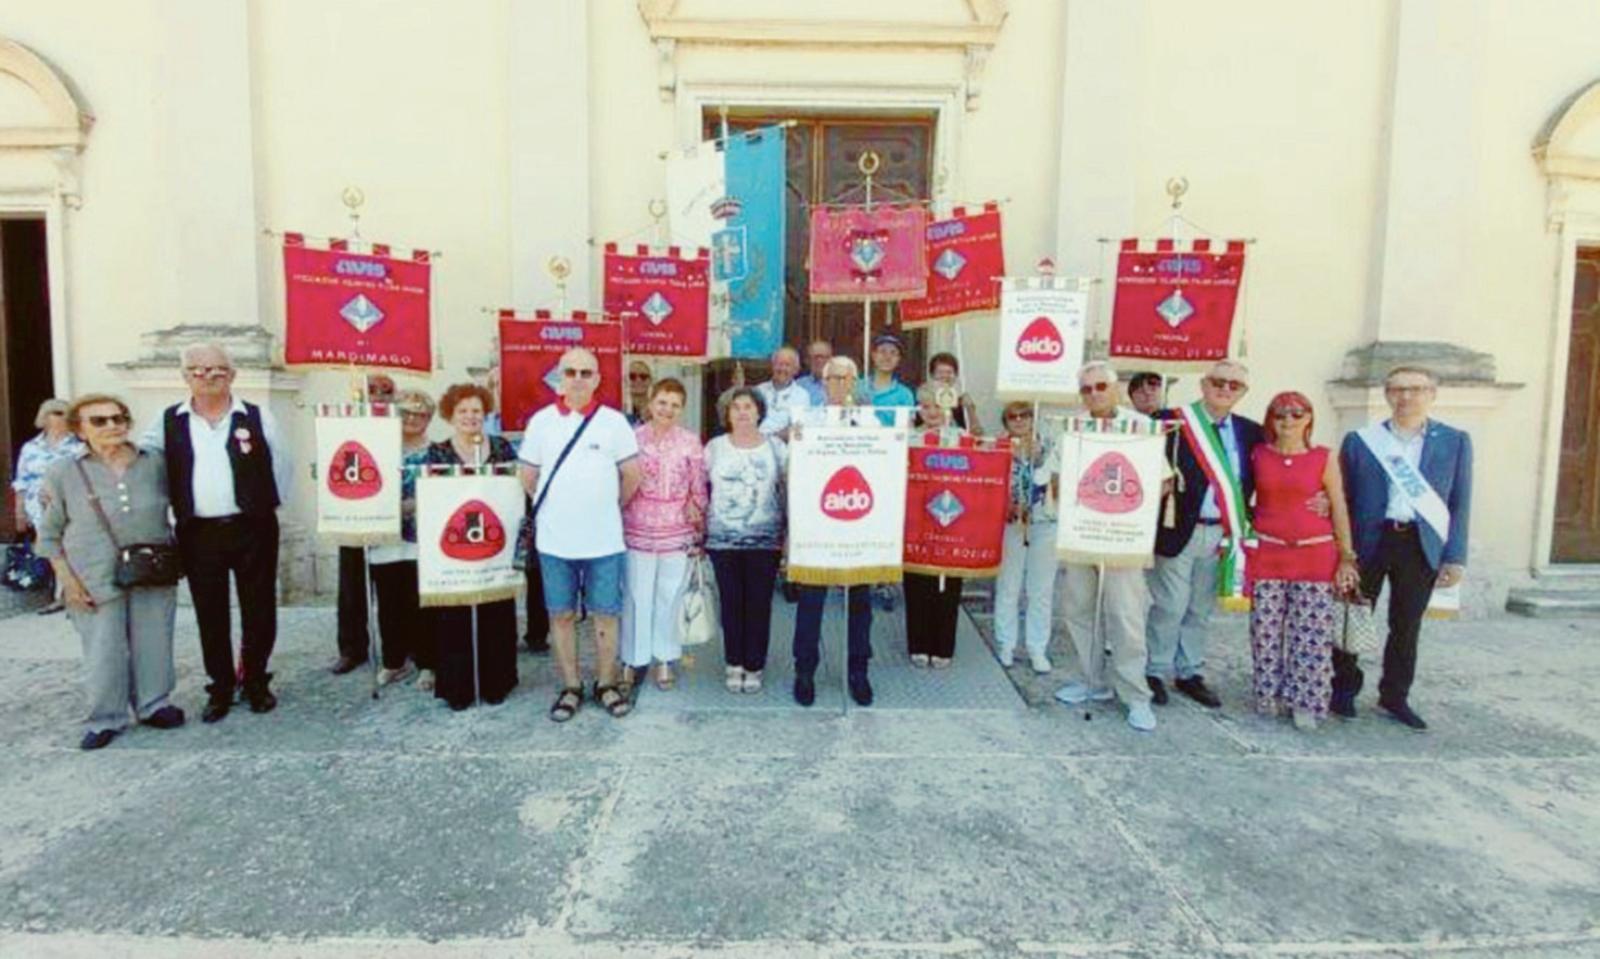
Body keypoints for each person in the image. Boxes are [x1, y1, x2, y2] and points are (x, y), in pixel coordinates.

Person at [144, 344, 292, 723]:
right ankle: (221, 686)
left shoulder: (257, 416)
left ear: (232, 375)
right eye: (198, 370)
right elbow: (140, 464)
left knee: (259, 608)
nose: (208, 376)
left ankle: (256, 680)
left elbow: (282, 466)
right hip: (199, 532)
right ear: (185, 377)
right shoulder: (167, 422)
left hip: (252, 527)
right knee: (210, 612)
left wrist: (262, 506)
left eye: (217, 370)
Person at [37, 394, 184, 750]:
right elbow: (50, 533)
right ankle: (106, 718)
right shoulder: (63, 472)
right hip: (92, 573)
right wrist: (67, 581)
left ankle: (154, 704)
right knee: (104, 646)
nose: (112, 426)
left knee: (154, 638)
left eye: (118, 418)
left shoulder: (155, 463)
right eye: (99, 421)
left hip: (151, 567)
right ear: (79, 429)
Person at [1336, 366, 1472, 731]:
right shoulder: (1360, 441)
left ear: (1432, 394)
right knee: (1353, 615)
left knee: (1406, 625)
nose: (1406, 397)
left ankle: (1394, 696)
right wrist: (1343, 550)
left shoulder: (1455, 441)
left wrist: (1455, 555)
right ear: (1387, 394)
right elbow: (1344, 498)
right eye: (1397, 389)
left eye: (1415, 389)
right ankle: (1343, 690)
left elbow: (1461, 501)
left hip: (1420, 543)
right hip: (1371, 540)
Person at [519, 347, 642, 722]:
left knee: (606, 615)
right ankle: (571, 686)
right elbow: (527, 476)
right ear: (559, 377)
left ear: (598, 380)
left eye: (585, 373)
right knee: (562, 615)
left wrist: (606, 507)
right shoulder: (541, 422)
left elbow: (632, 476)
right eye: (570, 372)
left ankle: (605, 683)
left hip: (604, 540)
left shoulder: (614, 422)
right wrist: (560, 507)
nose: (577, 379)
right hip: (555, 542)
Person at [1145, 359, 1262, 710]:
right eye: (1218, 381)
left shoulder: (1252, 432)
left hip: (1222, 534)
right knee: (1170, 604)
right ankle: (1154, 670)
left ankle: (1189, 672)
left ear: (1243, 392)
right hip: (1178, 529)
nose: (1225, 389)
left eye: (1234, 385)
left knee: (1200, 607)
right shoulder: (1170, 422)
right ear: (1203, 383)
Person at [1052, 361, 1159, 732]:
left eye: (1100, 386)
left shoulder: (1143, 428)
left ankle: (1135, 695)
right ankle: (1092, 681)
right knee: (1079, 610)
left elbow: (1160, 481)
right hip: (1082, 534)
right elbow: (1055, 476)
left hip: (1123, 537)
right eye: (1086, 389)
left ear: (1115, 388)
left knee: (1126, 617)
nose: (1094, 394)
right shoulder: (1072, 427)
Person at [1247, 391, 1360, 731]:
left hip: (1314, 554)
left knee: (1310, 633)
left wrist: (1346, 556)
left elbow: (1338, 506)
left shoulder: (1323, 457)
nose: (1288, 420)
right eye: (1280, 414)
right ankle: (1268, 694)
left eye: (1297, 414)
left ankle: (1306, 701)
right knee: (1264, 630)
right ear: (1271, 418)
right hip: (1269, 553)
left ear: (1309, 418)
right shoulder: (1258, 454)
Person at [424, 383, 520, 710]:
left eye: (476, 411)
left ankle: (497, 682)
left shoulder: (503, 448)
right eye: (463, 411)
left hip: (495, 549)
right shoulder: (437, 452)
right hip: (454, 554)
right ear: (451, 414)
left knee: (496, 614)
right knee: (455, 618)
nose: (470, 417)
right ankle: (457, 686)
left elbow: (515, 491)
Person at [790, 356, 879, 707]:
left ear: (855, 383)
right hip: (817, 523)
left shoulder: (869, 422)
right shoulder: (806, 419)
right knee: (811, 600)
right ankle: (805, 669)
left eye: (846, 378)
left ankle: (859, 670)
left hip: (858, 521)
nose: (840, 384)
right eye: (833, 378)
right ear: (823, 382)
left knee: (860, 602)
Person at [621, 378, 708, 690]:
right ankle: (632, 659)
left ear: (682, 410)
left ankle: (665, 659)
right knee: (636, 596)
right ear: (650, 403)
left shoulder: (690, 441)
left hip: (677, 529)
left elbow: (699, 487)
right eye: (662, 402)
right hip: (637, 528)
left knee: (669, 596)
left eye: (674, 405)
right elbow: (620, 482)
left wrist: (698, 524)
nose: (667, 409)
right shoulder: (631, 439)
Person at [704, 387, 785, 694]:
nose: (741, 412)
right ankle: (733, 662)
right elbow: (701, 488)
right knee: (731, 603)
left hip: (765, 542)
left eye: (748, 406)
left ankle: (754, 665)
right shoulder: (714, 447)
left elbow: (789, 488)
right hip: (722, 541)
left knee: (759, 603)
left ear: (759, 412)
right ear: (727, 414)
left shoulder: (776, 447)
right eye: (735, 407)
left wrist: (790, 534)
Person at [366, 389, 438, 690]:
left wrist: (411, 505)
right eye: (406, 412)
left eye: (420, 414)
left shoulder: (436, 452)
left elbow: (441, 493)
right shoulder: (378, 449)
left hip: (422, 539)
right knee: (389, 602)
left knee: (421, 603)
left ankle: (428, 663)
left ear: (429, 419)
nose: (412, 419)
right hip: (385, 538)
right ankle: (394, 661)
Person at [332, 374, 401, 676]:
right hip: (354, 515)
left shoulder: (400, 426)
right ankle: (352, 649)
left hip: (388, 518)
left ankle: (397, 649)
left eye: (386, 392)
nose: (379, 397)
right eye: (372, 391)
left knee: (392, 590)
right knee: (352, 589)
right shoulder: (345, 428)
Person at [904, 384, 968, 669]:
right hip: (917, 517)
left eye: (937, 406)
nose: (931, 412)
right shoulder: (908, 438)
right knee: (917, 581)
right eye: (925, 406)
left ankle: (943, 645)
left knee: (948, 583)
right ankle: (918, 643)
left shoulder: (962, 438)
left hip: (950, 517)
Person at [992, 400, 1057, 675]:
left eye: (1024, 415)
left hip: (1045, 521)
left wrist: (1039, 457)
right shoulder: (998, 447)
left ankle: (1037, 647)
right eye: (1012, 417)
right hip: (1011, 523)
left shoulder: (1051, 445)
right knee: (1009, 585)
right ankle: (1006, 643)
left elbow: (1058, 478)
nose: (1019, 420)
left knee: (1040, 589)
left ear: (1033, 418)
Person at [10, 398, 83, 612]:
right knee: (51, 548)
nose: (61, 418)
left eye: (64, 413)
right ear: (45, 417)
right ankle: (59, 594)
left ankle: (68, 593)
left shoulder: (77, 446)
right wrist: (19, 510)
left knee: (70, 547)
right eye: (56, 413)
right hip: (38, 506)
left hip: (69, 504)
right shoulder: (31, 447)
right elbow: (21, 480)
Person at [753, 345, 812, 438]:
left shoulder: (802, 395)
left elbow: (798, 427)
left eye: (787, 365)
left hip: (784, 446)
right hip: (754, 443)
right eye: (779, 364)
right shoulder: (758, 390)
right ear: (772, 366)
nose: (782, 369)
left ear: (796, 370)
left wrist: (773, 438)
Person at [926, 352, 982, 435]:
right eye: (940, 372)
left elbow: (977, 434)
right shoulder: (925, 401)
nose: (945, 376)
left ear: (955, 375)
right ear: (932, 375)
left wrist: (970, 409)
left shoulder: (961, 402)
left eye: (949, 372)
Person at [865, 333, 916, 425]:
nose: (887, 357)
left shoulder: (905, 394)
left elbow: (907, 429)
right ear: (873, 355)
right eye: (882, 352)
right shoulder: (858, 387)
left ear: (898, 359)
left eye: (893, 353)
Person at [794, 338, 833, 405]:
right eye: (815, 357)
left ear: (831, 359)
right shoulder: (798, 385)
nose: (819, 361)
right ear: (807, 361)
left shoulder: (846, 382)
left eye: (823, 357)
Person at [626, 360, 653, 426]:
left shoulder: (657, 409)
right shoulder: (620, 409)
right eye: (632, 376)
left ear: (650, 380)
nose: (638, 380)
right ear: (625, 380)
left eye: (643, 376)